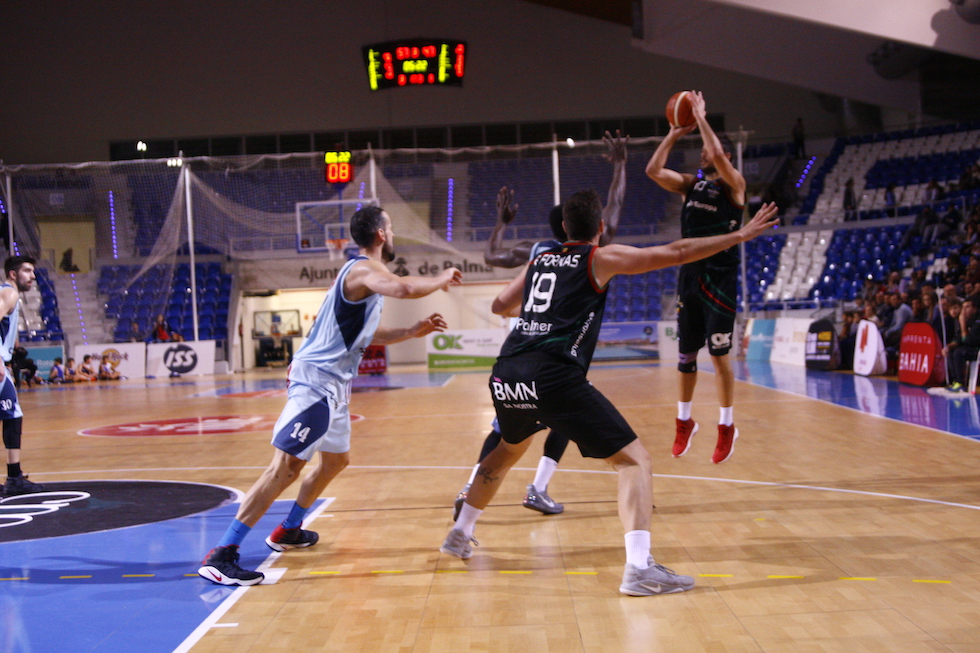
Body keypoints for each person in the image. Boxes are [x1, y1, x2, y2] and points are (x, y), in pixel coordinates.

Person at [439, 190, 779, 597]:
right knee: (634, 461)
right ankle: (639, 568)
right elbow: (677, 251)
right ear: (600, 227)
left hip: (508, 372)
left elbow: (499, 305)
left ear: (564, 227)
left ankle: (460, 533)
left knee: (506, 452)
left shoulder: (539, 260)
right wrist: (740, 235)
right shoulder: (598, 258)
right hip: (553, 374)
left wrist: (536, 312)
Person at [199, 205, 462, 586]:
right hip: (316, 380)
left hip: (336, 383)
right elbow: (405, 288)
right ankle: (223, 553)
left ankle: (289, 529)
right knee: (286, 467)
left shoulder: (364, 277)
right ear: (381, 234)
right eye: (390, 228)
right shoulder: (362, 269)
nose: (393, 234)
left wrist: (410, 332)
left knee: (336, 461)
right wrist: (442, 277)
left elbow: (366, 334)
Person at [453, 130, 630, 518]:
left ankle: (471, 489)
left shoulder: (537, 252)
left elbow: (491, 255)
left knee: (507, 430)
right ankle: (537, 487)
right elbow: (614, 209)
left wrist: (501, 223)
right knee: (565, 411)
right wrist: (620, 165)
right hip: (553, 353)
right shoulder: (589, 254)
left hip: (521, 346)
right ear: (588, 227)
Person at [645, 90, 748, 464]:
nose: (704, 152)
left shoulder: (734, 187)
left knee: (719, 357)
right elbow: (653, 171)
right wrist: (675, 132)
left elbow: (717, 153)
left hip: (720, 282)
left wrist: (701, 116)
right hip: (690, 278)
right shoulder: (692, 185)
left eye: (709, 148)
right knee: (686, 357)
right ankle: (684, 421)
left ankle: (726, 425)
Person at [0, 255, 45, 496]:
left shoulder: (10, 296)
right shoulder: (9, 293)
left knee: (12, 414)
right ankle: (14, 478)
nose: (32, 275)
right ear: (13, 274)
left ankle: (14, 476)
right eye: (27, 271)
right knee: (12, 415)